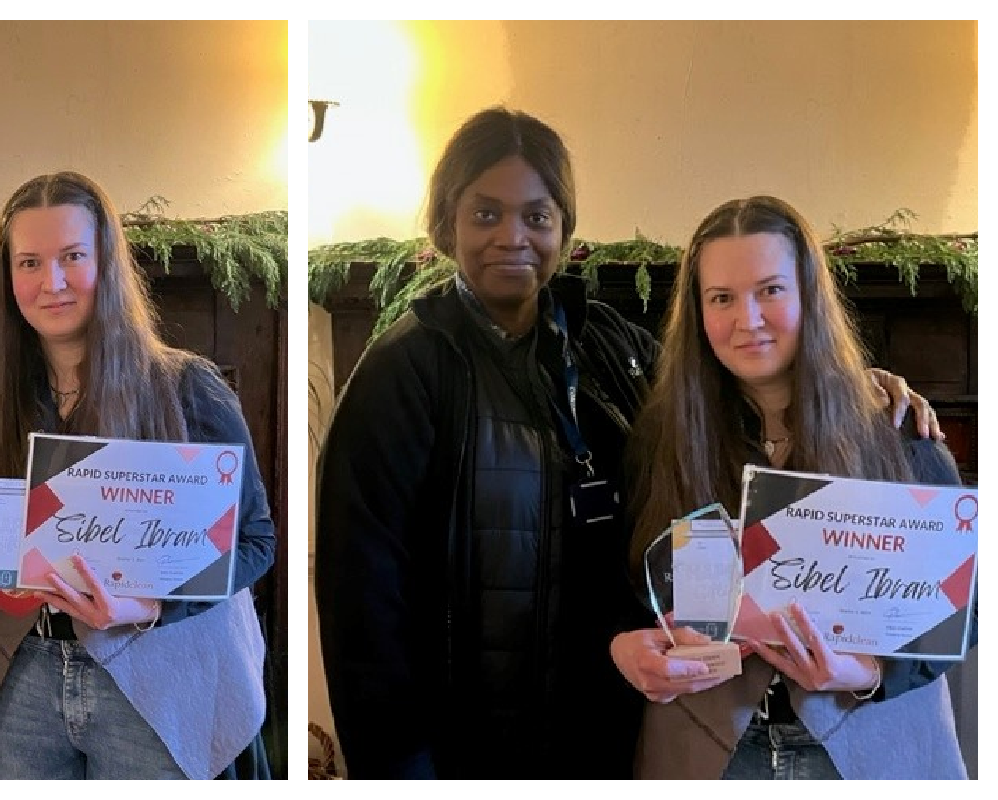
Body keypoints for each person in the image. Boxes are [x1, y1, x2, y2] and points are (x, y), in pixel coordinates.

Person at [313, 107, 938, 779]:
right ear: (446, 222)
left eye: (538, 216)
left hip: (611, 724)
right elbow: (363, 605)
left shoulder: (612, 347)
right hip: (472, 741)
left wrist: (855, 386)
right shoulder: (402, 371)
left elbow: (673, 485)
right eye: (485, 214)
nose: (513, 238)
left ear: (565, 227)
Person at [609, 195, 971, 780]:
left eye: (771, 290)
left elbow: (964, 603)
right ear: (698, 313)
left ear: (809, 296)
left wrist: (865, 671)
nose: (747, 320)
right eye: (721, 297)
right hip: (705, 747)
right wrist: (622, 645)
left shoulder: (894, 426)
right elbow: (631, 580)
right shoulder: (661, 436)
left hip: (873, 746)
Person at [0, 170, 276, 779]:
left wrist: (147, 604)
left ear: (106, 262)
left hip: (156, 676)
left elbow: (255, 543)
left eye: (73, 256)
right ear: (7, 279)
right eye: (29, 262)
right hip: (20, 680)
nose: (52, 282)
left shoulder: (185, 387)